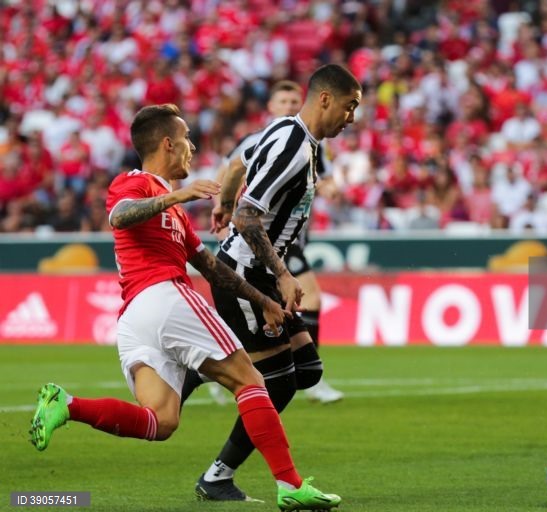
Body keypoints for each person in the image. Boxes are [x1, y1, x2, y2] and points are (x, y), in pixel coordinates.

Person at [28, 103, 341, 511]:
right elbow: (120, 218)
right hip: (163, 296)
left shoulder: (175, 212)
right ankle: (291, 485)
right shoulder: (135, 182)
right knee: (250, 380)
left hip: (137, 317)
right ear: (167, 143)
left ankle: (66, 405)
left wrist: (266, 300)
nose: (192, 147)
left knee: (161, 421)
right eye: (187, 139)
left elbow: (213, 269)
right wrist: (178, 194)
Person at [182, 65, 362, 501]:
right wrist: (281, 274)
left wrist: (223, 202)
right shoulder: (297, 148)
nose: (352, 117)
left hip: (260, 271)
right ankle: (218, 475)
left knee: (308, 371)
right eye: (350, 106)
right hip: (248, 277)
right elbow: (248, 216)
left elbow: (238, 165)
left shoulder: (286, 132)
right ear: (325, 99)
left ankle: (201, 363)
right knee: (277, 382)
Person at [208, 80, 344, 406]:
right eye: (281, 100)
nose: (287, 105)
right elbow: (232, 166)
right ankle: (304, 378)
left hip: (286, 237)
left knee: (283, 325)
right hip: (263, 240)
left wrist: (327, 187)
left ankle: (213, 368)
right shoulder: (271, 138)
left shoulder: (310, 143)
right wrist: (225, 203)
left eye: (292, 100)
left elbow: (319, 178)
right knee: (309, 296)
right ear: (270, 106)